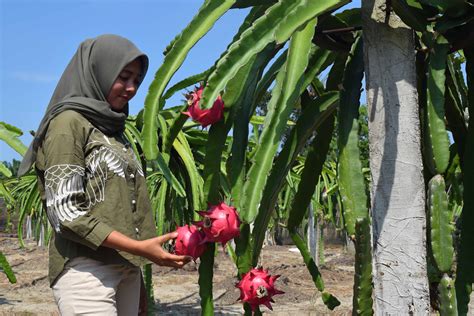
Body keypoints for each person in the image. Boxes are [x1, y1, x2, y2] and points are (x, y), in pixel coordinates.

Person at [18, 34, 191, 315]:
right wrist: (139, 247)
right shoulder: (68, 124)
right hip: (86, 272)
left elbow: (123, 210)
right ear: (99, 71)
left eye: (137, 80)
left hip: (127, 270)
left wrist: (137, 273)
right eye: (123, 77)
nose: (131, 88)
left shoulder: (114, 131)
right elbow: (66, 211)